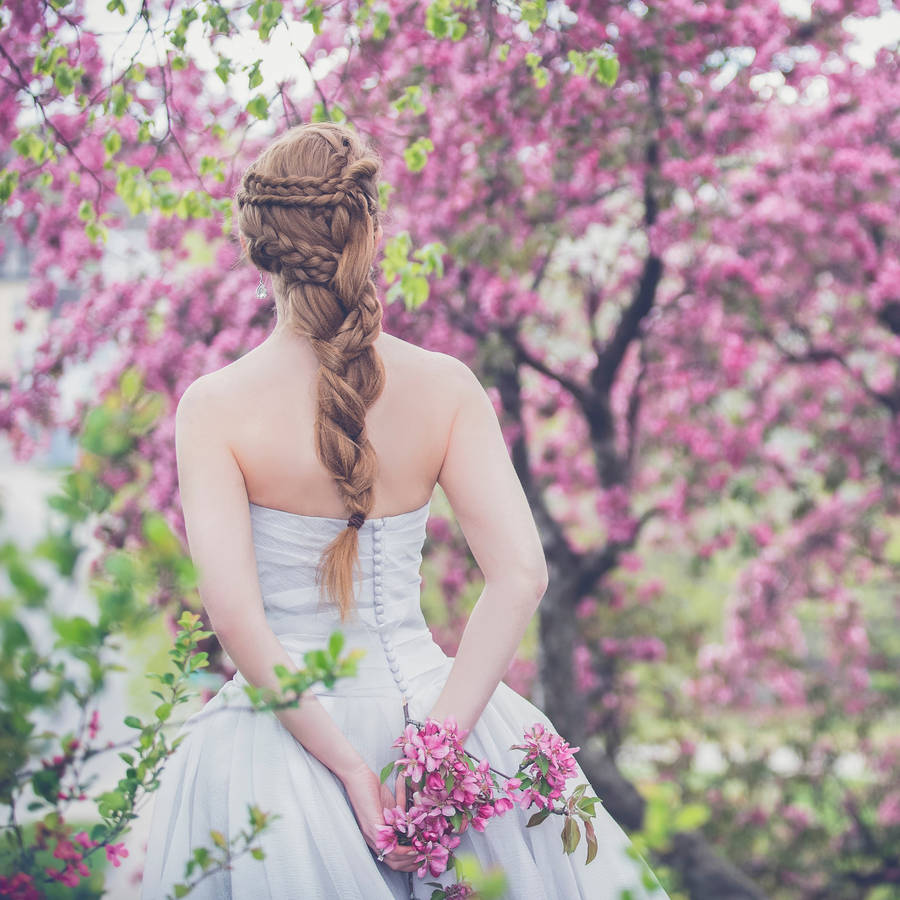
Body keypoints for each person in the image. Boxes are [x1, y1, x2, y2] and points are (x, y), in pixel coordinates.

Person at [140, 122, 668, 899]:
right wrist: (443, 746)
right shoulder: (447, 386)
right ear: (371, 233)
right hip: (440, 711)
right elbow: (520, 574)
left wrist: (349, 769)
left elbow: (234, 614)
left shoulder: (212, 408)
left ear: (258, 247)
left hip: (277, 751)